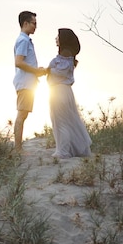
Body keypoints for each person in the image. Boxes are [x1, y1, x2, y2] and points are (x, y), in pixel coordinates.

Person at [46, 28, 92, 159]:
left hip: (60, 91)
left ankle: (63, 151)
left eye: (57, 36)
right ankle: (64, 148)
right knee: (64, 120)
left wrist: (48, 70)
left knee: (61, 121)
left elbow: (60, 72)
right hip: (60, 91)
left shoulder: (65, 57)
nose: (55, 39)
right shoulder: (65, 56)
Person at [13, 11, 46, 151]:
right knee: (21, 114)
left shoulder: (26, 40)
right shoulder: (23, 40)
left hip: (28, 83)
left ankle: (18, 147)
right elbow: (18, 62)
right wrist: (36, 71)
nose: (35, 26)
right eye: (34, 23)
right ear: (25, 23)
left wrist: (37, 71)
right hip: (25, 83)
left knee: (23, 114)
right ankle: (18, 149)